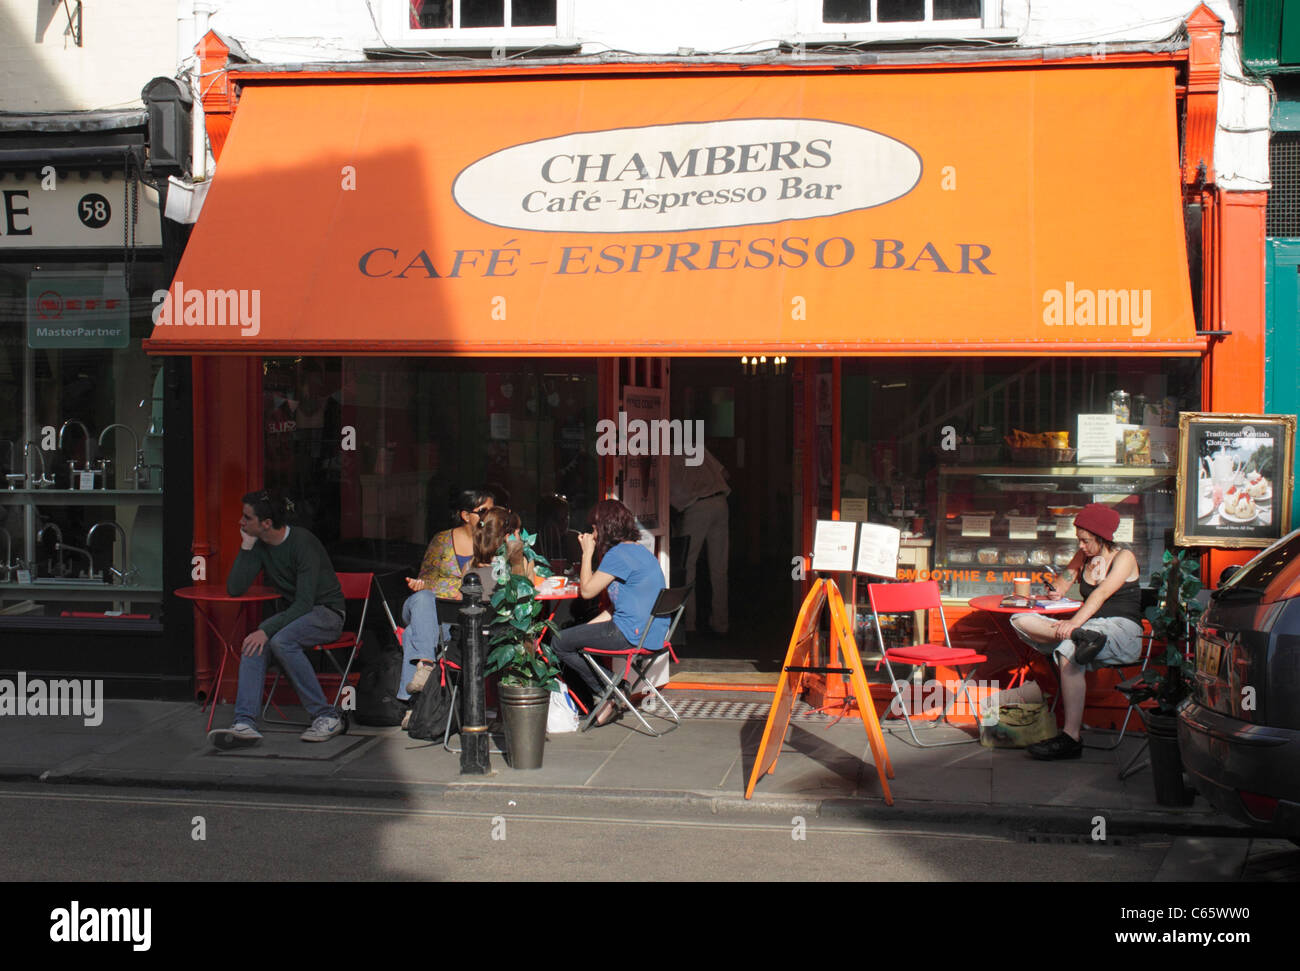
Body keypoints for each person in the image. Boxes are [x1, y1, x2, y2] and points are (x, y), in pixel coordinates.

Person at [209, 490, 347, 748]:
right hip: (296, 615)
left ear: (266, 523)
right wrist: (246, 547)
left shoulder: (303, 543)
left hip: (326, 613)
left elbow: (306, 602)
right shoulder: (259, 546)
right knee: (255, 643)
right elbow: (235, 588)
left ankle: (327, 716)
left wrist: (266, 629)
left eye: (247, 518)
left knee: (278, 640)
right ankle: (245, 723)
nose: (241, 522)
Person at [1005, 503, 1143, 760]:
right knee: (1019, 619)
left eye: (1085, 540)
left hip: (1121, 630)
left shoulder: (1124, 557)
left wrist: (1074, 623)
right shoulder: (1084, 556)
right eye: (1078, 540)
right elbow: (1062, 582)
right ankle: (1079, 638)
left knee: (1067, 649)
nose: (1080, 545)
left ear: (1102, 537)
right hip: (1089, 629)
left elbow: (1100, 594)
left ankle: (1071, 737)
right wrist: (1056, 589)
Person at [550, 499, 668, 726]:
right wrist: (586, 630)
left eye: (594, 528)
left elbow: (586, 591)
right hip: (652, 634)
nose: (592, 533)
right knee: (575, 637)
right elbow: (615, 609)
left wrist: (586, 553)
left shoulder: (618, 555)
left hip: (630, 633)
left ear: (604, 528)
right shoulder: (639, 551)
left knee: (559, 642)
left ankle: (608, 691)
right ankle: (613, 688)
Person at [399, 486, 494, 704]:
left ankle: (412, 703)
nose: (488, 516)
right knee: (422, 598)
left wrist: (438, 586)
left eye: (492, 510)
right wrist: (425, 585)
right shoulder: (441, 540)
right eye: (483, 511)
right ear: (465, 515)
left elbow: (490, 584)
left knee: (412, 633)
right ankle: (427, 661)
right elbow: (427, 579)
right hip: (430, 608)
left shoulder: (492, 542)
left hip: (454, 619)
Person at [669, 447, 730, 634]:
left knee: (688, 565)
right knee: (719, 567)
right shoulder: (696, 448)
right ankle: (721, 622)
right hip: (720, 502)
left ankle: (689, 622)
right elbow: (725, 474)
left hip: (696, 506)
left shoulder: (668, 458)